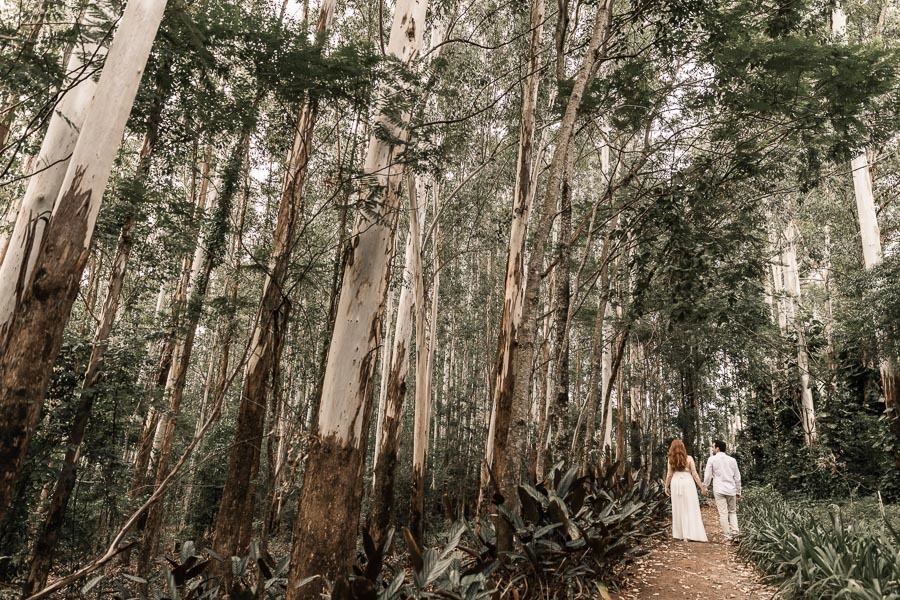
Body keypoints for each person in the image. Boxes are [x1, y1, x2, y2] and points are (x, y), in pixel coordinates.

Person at [664, 438, 708, 542]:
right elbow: (695, 474)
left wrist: (666, 486)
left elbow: (669, 474)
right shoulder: (689, 459)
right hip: (688, 482)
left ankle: (681, 534)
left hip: (676, 483)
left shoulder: (671, 459)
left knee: (678, 507)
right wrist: (702, 487)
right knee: (690, 506)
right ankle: (689, 534)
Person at [702, 439, 742, 542]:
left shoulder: (712, 459)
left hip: (719, 489)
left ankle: (728, 537)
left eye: (713, 446)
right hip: (731, 489)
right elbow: (737, 477)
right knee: (732, 512)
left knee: (723, 513)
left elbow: (708, 475)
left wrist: (705, 486)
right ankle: (735, 535)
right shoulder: (732, 460)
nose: (712, 448)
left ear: (717, 448)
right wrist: (738, 491)